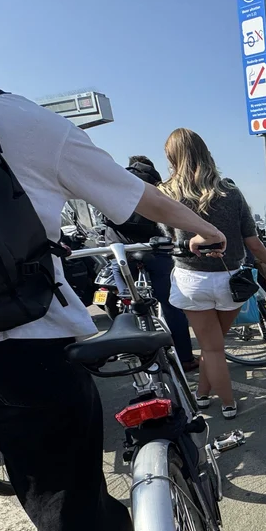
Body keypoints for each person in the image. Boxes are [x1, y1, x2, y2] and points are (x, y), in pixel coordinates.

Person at [0, 0, 229, 531]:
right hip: (26, 345)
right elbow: (136, 199)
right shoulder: (6, 114)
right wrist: (203, 227)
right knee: (61, 494)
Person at [162, 128, 266, 420]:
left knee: (210, 347)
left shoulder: (167, 192)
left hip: (192, 278)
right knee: (214, 345)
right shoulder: (230, 191)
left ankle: (225, 402)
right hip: (231, 280)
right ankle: (204, 394)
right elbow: (253, 242)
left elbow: (169, 238)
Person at [99, 155, 198, 372]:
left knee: (128, 305)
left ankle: (139, 358)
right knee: (171, 306)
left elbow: (102, 216)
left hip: (121, 251)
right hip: (154, 250)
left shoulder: (116, 179)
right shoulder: (156, 185)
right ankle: (186, 358)